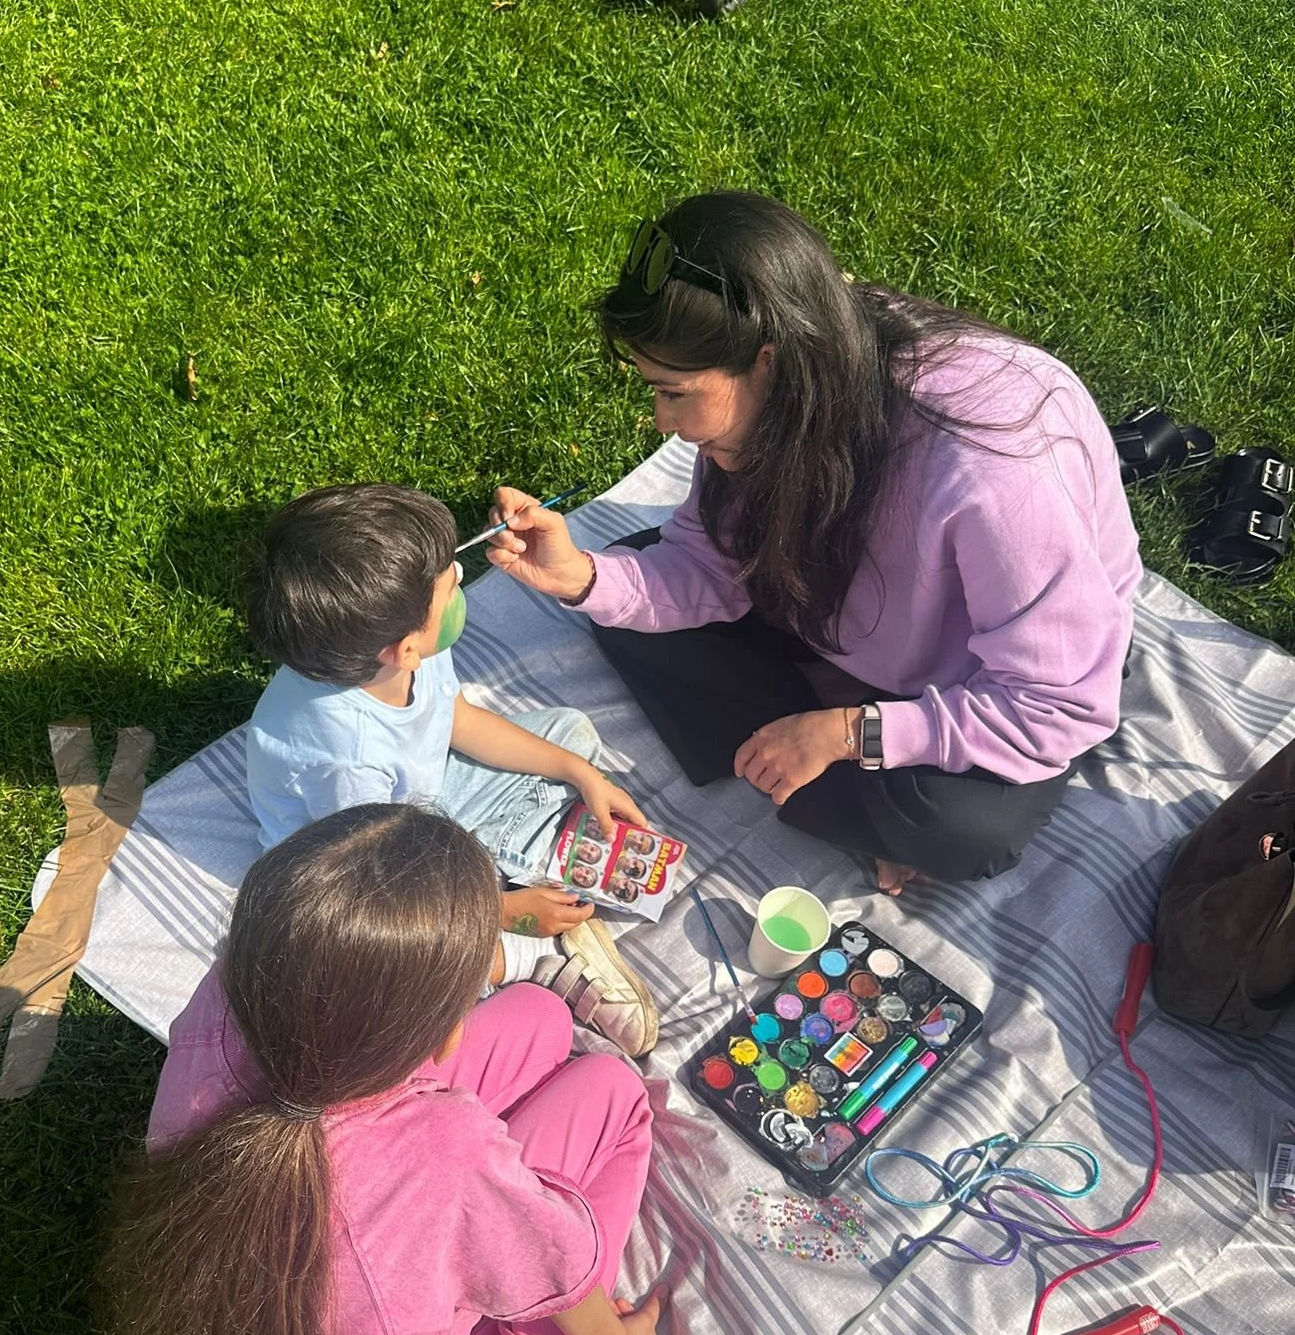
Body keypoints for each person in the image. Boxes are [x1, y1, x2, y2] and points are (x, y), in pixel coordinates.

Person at [99, 806, 668, 1335]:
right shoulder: (446, 1152)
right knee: (614, 1096)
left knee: (546, 1023)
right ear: (439, 1037)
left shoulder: (229, 997)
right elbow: (553, 1264)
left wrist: (489, 915)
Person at [486, 192, 1142, 893]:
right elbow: (708, 562)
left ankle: (826, 761)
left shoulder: (994, 464)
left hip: (1001, 676)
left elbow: (1057, 704)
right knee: (626, 607)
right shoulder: (781, 401)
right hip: (850, 620)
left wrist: (843, 735)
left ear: (765, 363)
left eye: (675, 393)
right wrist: (579, 576)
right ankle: (835, 777)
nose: (663, 422)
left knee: (964, 830)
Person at [244, 483, 657, 1053]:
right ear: (404, 648)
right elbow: (379, 880)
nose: (461, 581)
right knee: (410, 961)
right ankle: (517, 958)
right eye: (449, 584)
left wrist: (577, 771)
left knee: (569, 734)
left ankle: (514, 870)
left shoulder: (401, 653)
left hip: (413, 805)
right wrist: (503, 911)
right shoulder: (344, 757)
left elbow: (454, 718)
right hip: (358, 866)